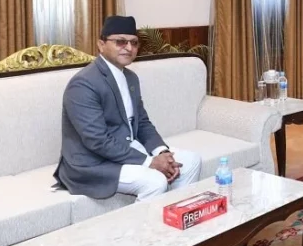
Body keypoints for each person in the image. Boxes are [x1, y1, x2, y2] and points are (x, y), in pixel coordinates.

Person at [54, 15, 201, 201]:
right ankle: (146, 221)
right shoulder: (84, 84)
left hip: (127, 149)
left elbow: (142, 122)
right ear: (101, 45)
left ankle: (174, 214)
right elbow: (97, 140)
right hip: (93, 162)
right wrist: (150, 162)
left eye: (134, 42)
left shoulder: (131, 78)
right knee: (155, 181)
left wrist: (162, 153)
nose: (129, 48)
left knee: (191, 161)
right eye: (120, 42)